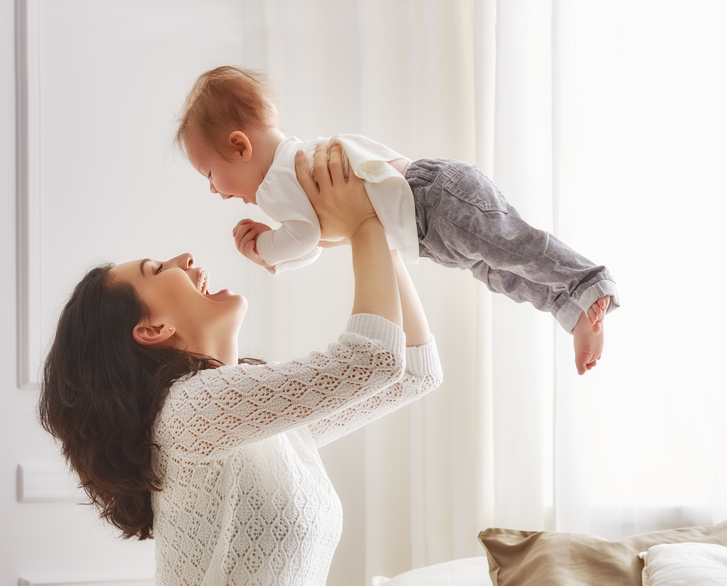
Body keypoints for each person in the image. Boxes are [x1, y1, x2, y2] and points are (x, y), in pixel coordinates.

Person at [39, 143, 535, 586]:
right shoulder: (190, 412)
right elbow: (371, 358)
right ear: (152, 330)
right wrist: (358, 225)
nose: (186, 259)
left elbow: (412, 372)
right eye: (157, 268)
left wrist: (374, 218)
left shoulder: (255, 422)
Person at [176, 65, 620, 375]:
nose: (215, 190)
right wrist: (279, 254)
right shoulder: (293, 168)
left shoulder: (278, 182)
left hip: (433, 200)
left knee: (510, 247)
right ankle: (570, 309)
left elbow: (305, 236)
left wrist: (265, 248)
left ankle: (589, 282)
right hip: (427, 228)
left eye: (210, 174)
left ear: (240, 146)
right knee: (499, 270)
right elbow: (319, 240)